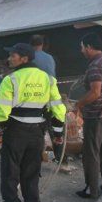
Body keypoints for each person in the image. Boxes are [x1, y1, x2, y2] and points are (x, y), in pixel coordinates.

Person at [0, 43, 66, 202]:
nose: (10, 59)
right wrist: (57, 134)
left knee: (10, 177)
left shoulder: (10, 80)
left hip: (15, 134)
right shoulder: (48, 79)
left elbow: (2, 112)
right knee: (31, 178)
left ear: (24, 59)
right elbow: (58, 109)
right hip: (36, 136)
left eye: (13, 56)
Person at [75, 34, 102, 199]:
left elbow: (95, 92)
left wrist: (78, 104)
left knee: (91, 153)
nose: (81, 51)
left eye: (82, 47)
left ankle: (91, 189)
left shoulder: (95, 65)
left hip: (97, 116)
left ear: (88, 46)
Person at [30, 34, 66, 169]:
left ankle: (36, 159)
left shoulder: (30, 58)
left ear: (31, 45)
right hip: (52, 96)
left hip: (37, 97)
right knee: (55, 128)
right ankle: (61, 159)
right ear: (42, 44)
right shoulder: (50, 58)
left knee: (36, 129)